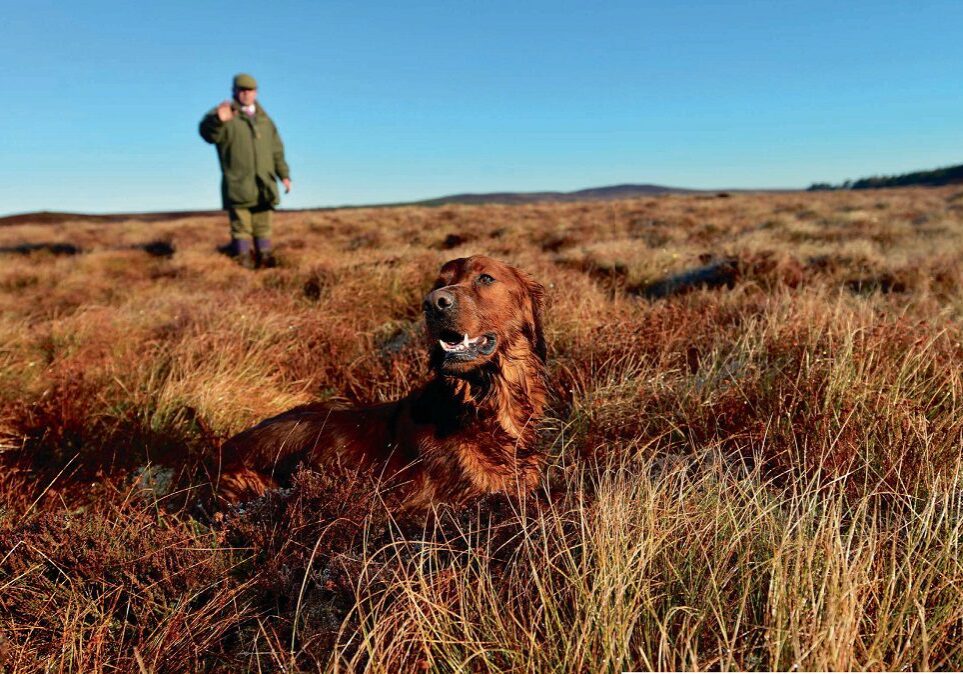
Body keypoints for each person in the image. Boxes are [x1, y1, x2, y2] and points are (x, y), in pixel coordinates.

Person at [199, 73, 291, 268]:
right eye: (242, 90)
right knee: (241, 226)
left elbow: (277, 150)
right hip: (238, 182)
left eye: (249, 90)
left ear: (256, 93)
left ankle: (265, 259)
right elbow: (207, 134)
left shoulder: (266, 121)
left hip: (264, 182)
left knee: (263, 225)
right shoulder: (225, 114)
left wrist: (284, 175)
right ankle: (243, 261)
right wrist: (217, 120)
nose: (246, 94)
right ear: (234, 91)